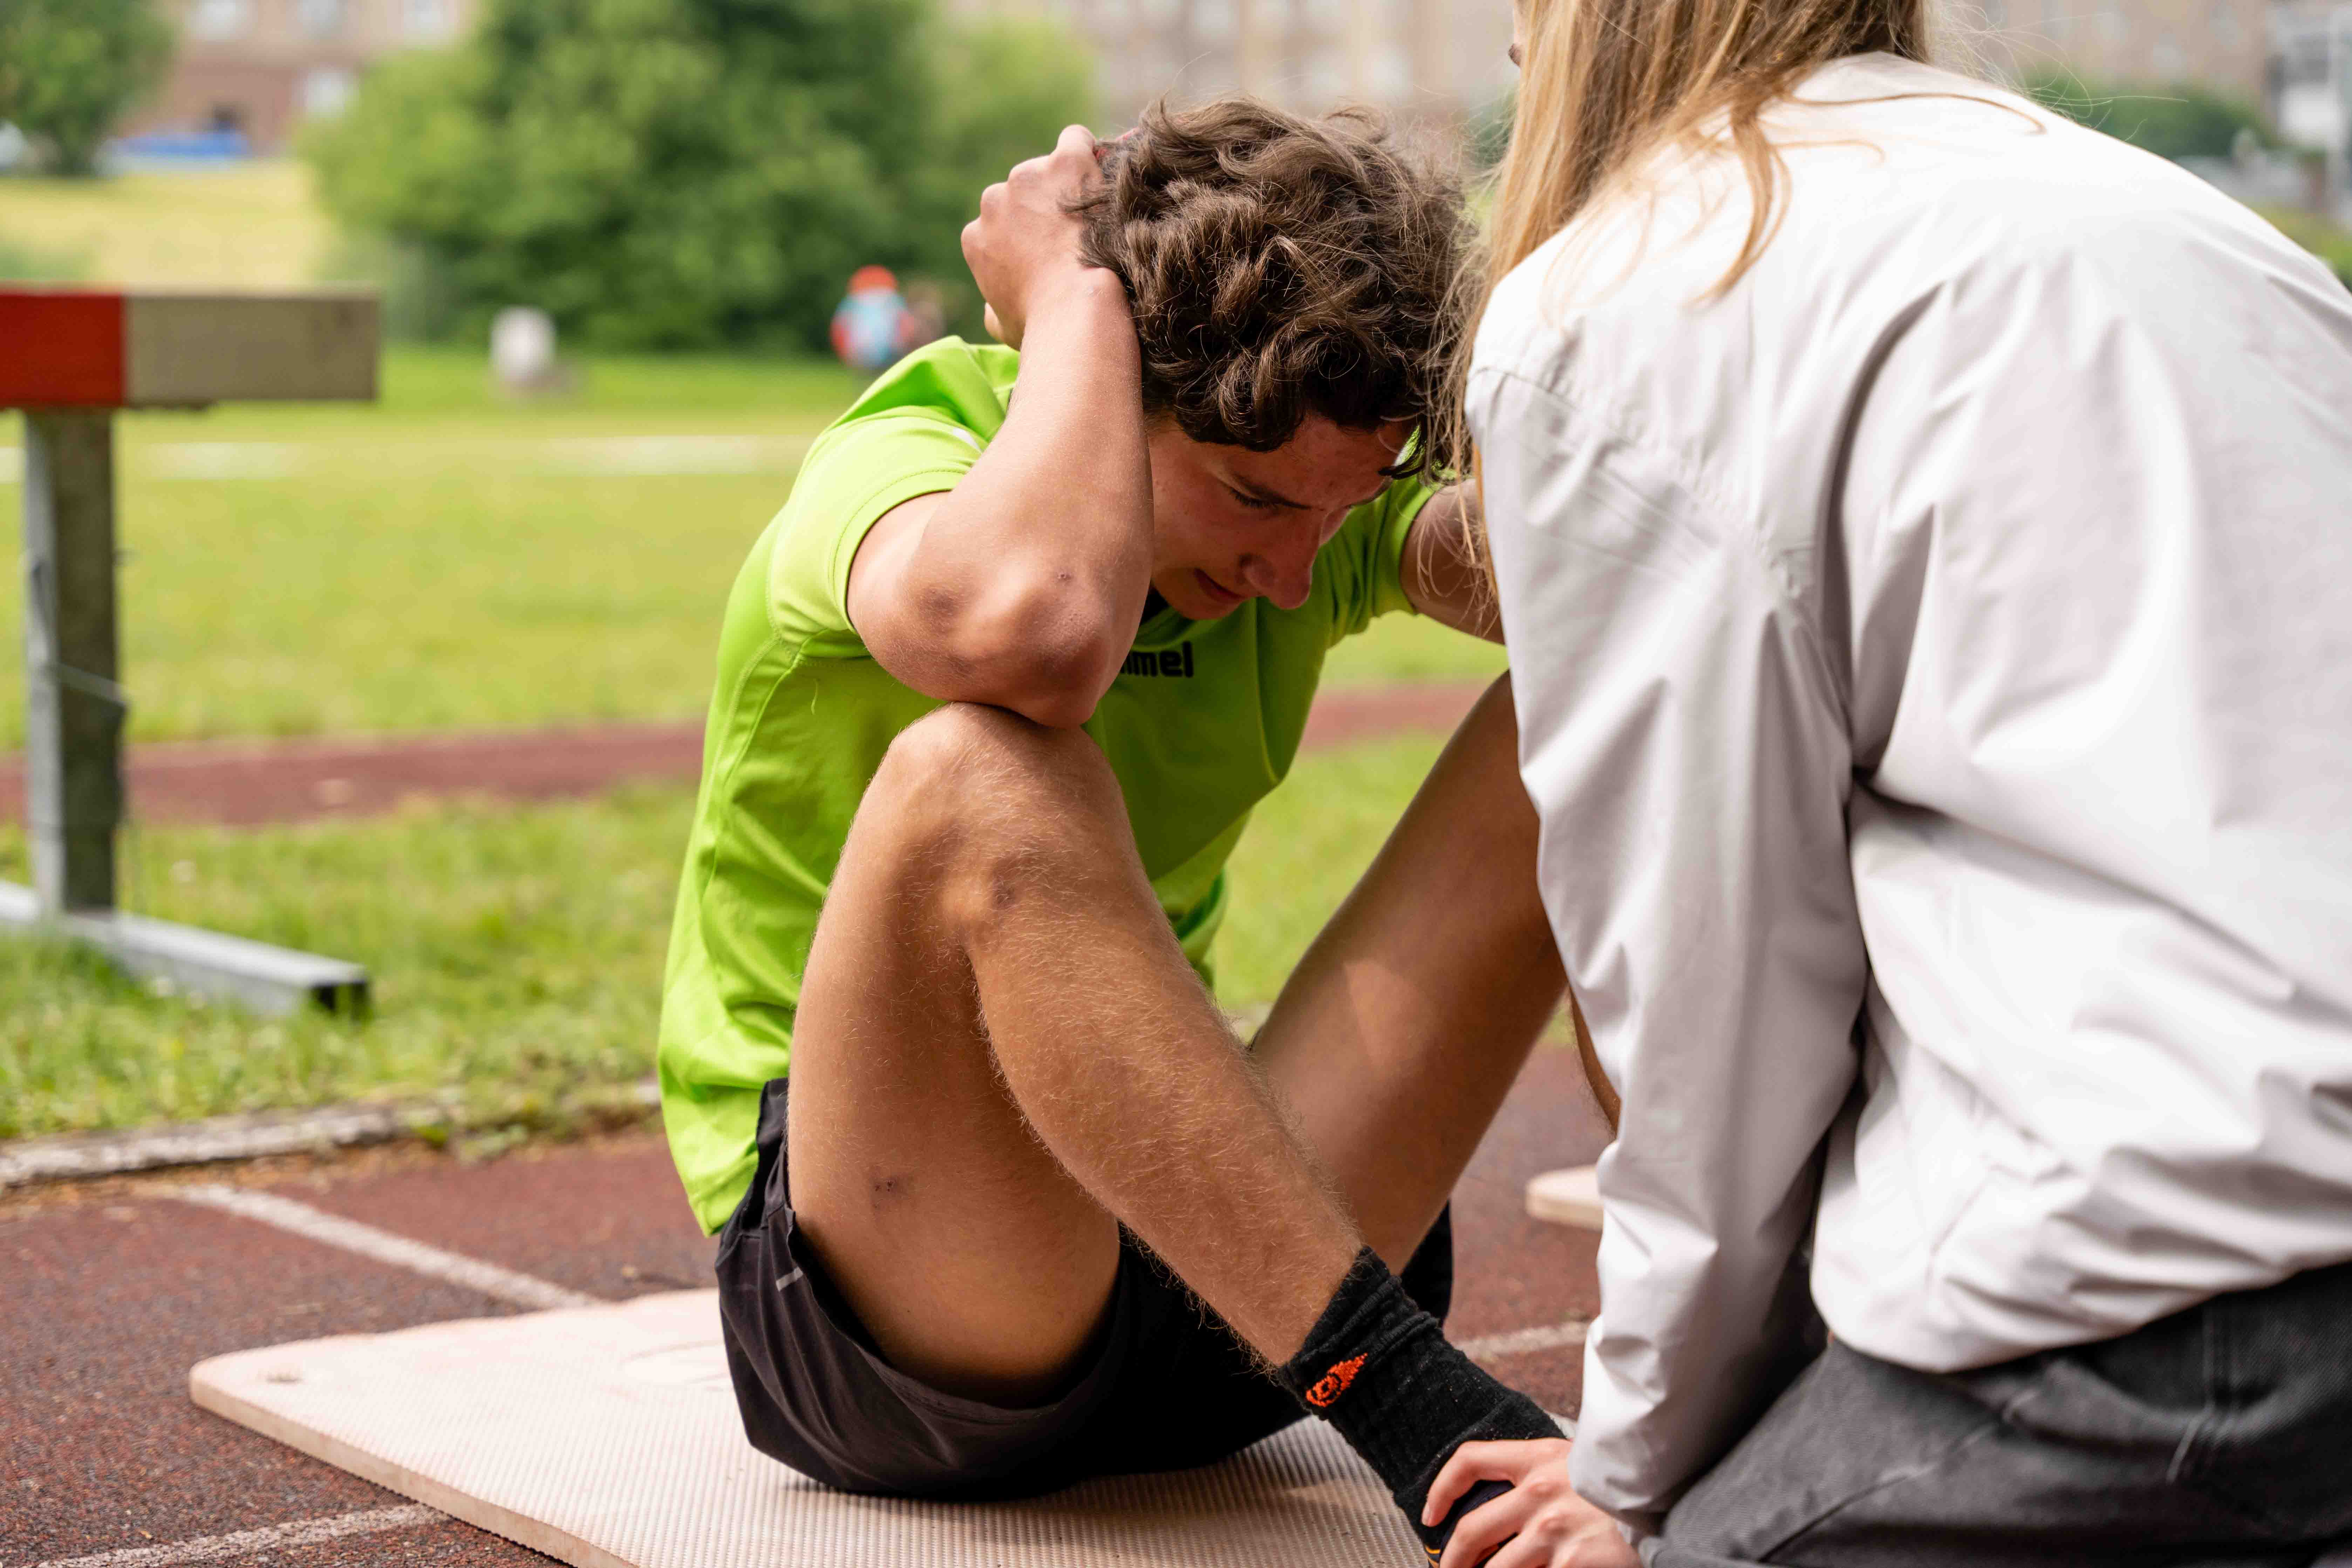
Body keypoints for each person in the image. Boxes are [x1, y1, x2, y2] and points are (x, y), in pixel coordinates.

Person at [1426, 0, 2352, 1562]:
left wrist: (1637, 1464)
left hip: (2191, 1285)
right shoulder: (2194, 226)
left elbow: (1712, 988)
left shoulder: (1622, 303)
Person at [657, 98, 1568, 1559]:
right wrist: (1077, 297)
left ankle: (1769, 1339)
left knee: (1596, 716)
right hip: (912, 1320)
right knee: (983, 771)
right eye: (1252, 499)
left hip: (1223, 1291)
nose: (1291, 575)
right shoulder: (918, 452)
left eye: (1331, 516)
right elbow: (1031, 641)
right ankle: (1424, 1415)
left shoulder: (1301, 529)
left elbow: (1646, 601)